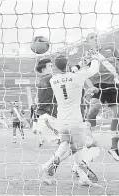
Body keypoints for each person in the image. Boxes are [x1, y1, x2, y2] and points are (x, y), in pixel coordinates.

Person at [41, 54, 101, 186]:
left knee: (66, 143)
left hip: (61, 120)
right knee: (79, 149)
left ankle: (55, 159)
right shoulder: (77, 77)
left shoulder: (53, 80)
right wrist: (95, 58)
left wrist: (80, 64)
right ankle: (83, 176)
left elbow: (69, 72)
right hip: (75, 120)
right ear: (68, 65)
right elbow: (94, 70)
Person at [84, 32, 119, 162]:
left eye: (96, 36)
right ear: (87, 42)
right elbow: (84, 74)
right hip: (97, 85)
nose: (95, 38)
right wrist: (91, 86)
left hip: (113, 85)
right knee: (94, 108)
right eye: (91, 37)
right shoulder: (87, 55)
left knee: (118, 114)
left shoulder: (111, 49)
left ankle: (114, 148)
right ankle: (88, 137)